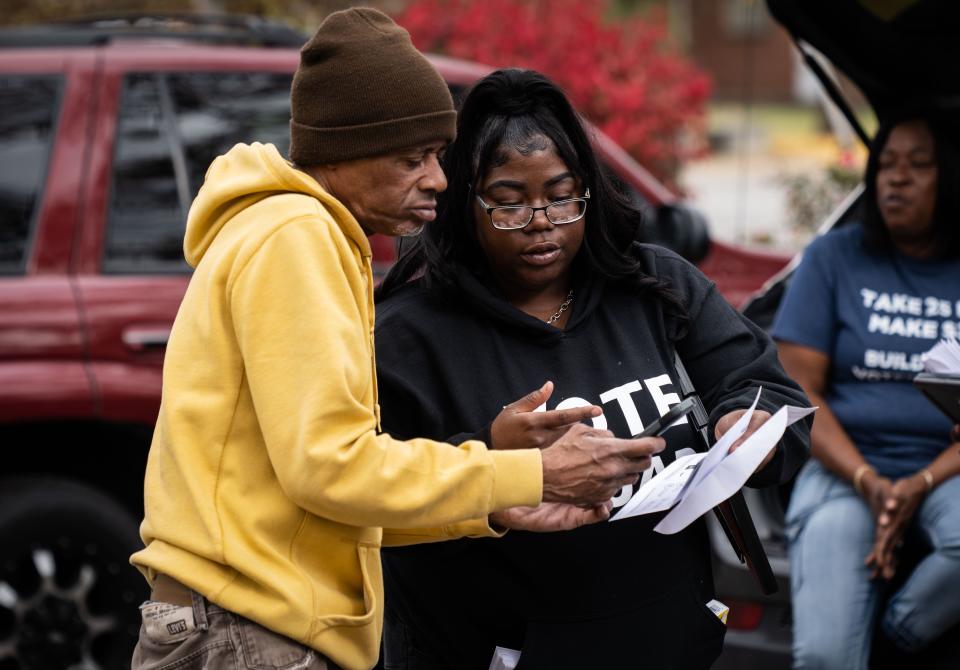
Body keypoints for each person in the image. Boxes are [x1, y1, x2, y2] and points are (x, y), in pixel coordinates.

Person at [129, 12, 664, 670]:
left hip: (211, 612)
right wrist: (529, 473)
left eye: (438, 155)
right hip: (247, 625)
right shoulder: (297, 236)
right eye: (412, 158)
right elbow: (331, 468)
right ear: (343, 153)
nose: (439, 179)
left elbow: (314, 491)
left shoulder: (291, 229)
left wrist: (499, 502)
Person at [374, 68, 811, 670]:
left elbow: (764, 386)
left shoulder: (656, 286)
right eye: (507, 203)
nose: (540, 221)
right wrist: (500, 467)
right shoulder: (407, 337)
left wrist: (748, 422)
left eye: (561, 195)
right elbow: (370, 498)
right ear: (461, 204)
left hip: (667, 641)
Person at [773, 112, 960, 669]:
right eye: (886, 165)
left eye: (918, 165)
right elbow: (798, 392)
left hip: (948, 467)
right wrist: (871, 483)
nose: (895, 179)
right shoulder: (834, 258)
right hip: (843, 470)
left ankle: (893, 640)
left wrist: (922, 482)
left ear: (950, 178)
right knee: (828, 656)